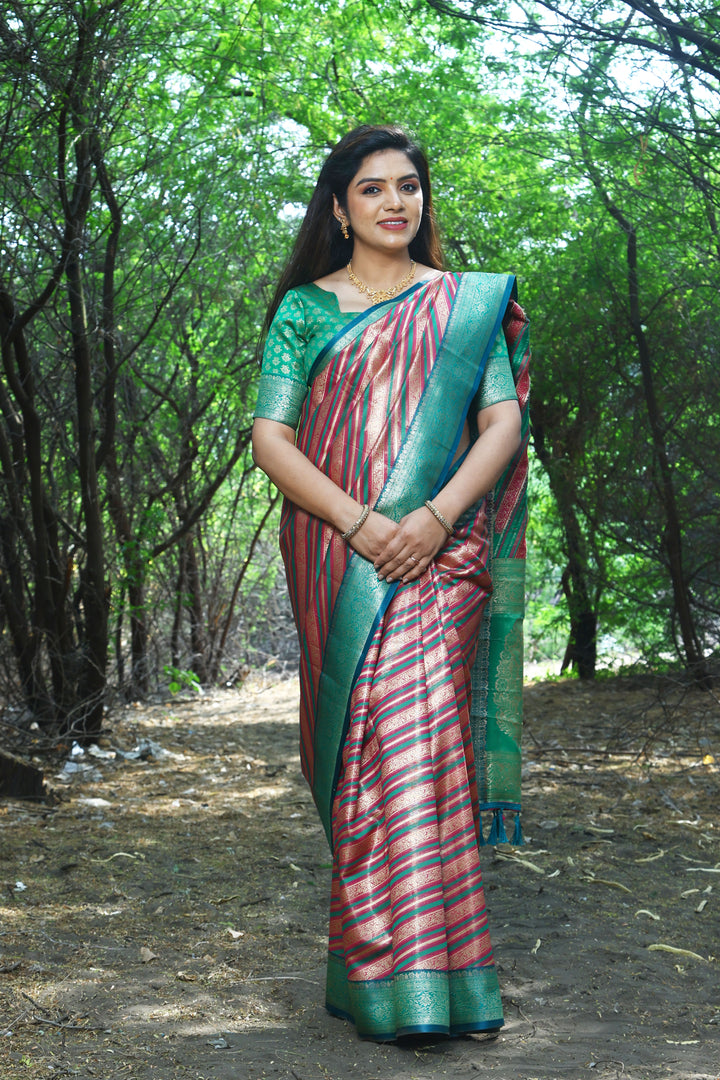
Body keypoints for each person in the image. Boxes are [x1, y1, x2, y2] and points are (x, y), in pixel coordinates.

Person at [252, 124, 530, 1042]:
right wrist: (363, 523)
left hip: (439, 557)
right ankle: (381, 977)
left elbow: (501, 425)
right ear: (340, 208)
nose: (394, 203)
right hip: (342, 556)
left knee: (424, 754)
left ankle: (438, 987)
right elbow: (271, 439)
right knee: (364, 763)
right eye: (372, 189)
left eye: (407, 186)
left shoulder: (464, 308)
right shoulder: (305, 311)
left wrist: (433, 517)